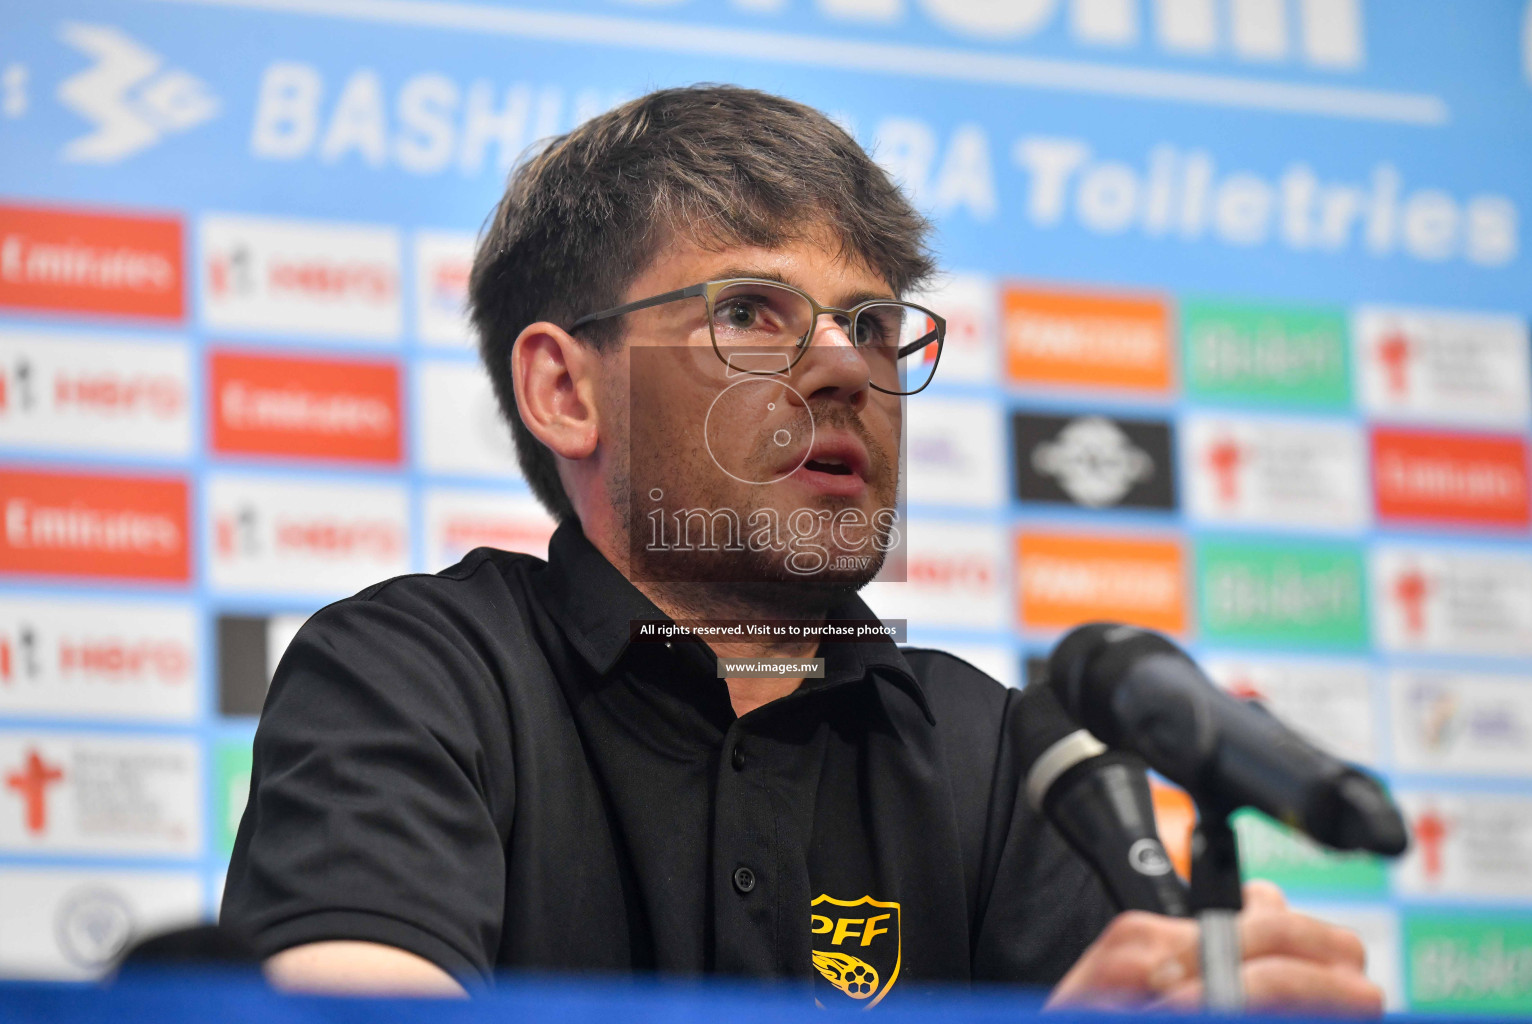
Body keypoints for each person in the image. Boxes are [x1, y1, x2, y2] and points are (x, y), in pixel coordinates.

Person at [220, 84, 1380, 1014]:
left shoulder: (1001, 759)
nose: (842, 368)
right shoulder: (410, 675)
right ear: (566, 389)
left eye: (873, 327)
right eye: (747, 313)